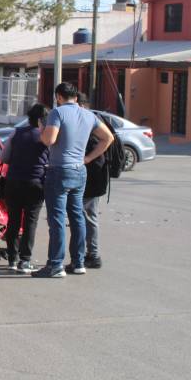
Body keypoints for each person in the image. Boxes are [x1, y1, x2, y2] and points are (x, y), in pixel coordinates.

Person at [33, 83, 113, 279]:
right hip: (79, 170)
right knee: (77, 216)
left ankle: (55, 264)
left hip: (59, 170)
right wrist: (88, 158)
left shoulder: (57, 113)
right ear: (76, 98)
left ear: (58, 97)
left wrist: (42, 130)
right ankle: (78, 262)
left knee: (57, 218)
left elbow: (49, 140)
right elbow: (108, 137)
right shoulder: (88, 115)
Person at [1, 103, 50, 274]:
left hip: (13, 182)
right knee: (30, 222)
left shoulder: (17, 132)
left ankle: (12, 259)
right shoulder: (46, 137)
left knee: (13, 221)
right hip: (35, 183)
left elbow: (4, 157)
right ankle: (25, 260)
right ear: (42, 119)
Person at [78, 93, 106, 269]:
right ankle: (89, 254)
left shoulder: (90, 123)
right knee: (86, 215)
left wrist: (87, 158)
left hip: (93, 175)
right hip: (95, 175)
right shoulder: (92, 120)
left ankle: (93, 255)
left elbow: (107, 140)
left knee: (87, 216)